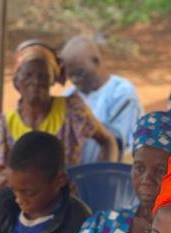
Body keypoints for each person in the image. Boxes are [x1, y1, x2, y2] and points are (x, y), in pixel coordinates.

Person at [0, 40, 118, 194]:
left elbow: (108, 141)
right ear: (16, 80)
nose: (36, 82)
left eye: (43, 76)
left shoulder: (71, 111)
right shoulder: (3, 126)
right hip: (21, 203)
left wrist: (103, 182)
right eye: (28, 75)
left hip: (64, 199)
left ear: (53, 79)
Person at [0, 131, 91, 233]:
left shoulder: (79, 225)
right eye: (14, 189)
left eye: (29, 193)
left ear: (60, 180)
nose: (19, 199)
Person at [60, 35, 142, 163]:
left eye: (80, 73)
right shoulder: (68, 96)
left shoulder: (121, 92)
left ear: (96, 61)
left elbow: (118, 142)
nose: (75, 80)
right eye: (70, 75)